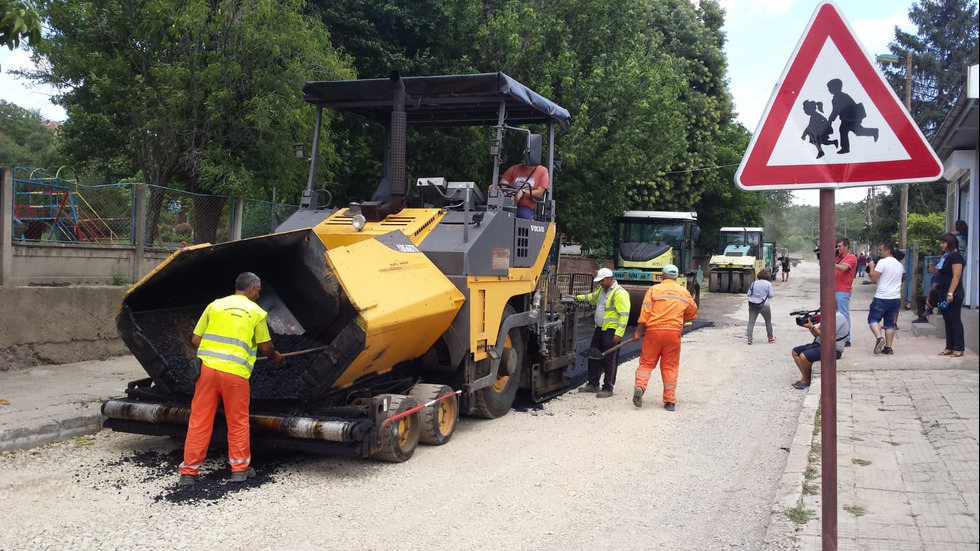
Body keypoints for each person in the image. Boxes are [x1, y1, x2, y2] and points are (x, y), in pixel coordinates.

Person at [178, 272, 284, 487]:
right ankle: (239, 470)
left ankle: (188, 472)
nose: (259, 294)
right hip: (235, 374)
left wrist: (214, 351)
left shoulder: (215, 306)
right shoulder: (256, 312)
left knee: (199, 420)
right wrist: (274, 357)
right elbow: (265, 347)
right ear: (252, 288)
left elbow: (196, 339)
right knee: (237, 421)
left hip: (206, 372)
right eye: (259, 290)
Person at [631, 264, 698, 411]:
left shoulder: (654, 290)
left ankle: (640, 387)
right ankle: (670, 401)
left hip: (654, 332)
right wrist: (681, 318)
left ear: (663, 276)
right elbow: (693, 311)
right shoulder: (684, 292)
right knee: (670, 366)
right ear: (676, 277)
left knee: (647, 363)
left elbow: (645, 313)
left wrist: (638, 332)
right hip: (673, 333)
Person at [574, 267, 631, 398]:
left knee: (610, 359)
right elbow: (592, 298)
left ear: (610, 279)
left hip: (611, 331)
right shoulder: (601, 290)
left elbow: (624, 315)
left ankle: (608, 387)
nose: (600, 283)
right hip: (600, 328)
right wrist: (577, 298)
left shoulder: (619, 293)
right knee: (594, 355)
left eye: (602, 281)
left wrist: (619, 333)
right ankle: (593, 384)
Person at [791, 310, 849, 389]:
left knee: (803, 356)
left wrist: (812, 327)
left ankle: (806, 380)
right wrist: (809, 326)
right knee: (795, 352)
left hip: (833, 349)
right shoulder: (828, 317)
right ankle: (806, 376)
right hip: (820, 345)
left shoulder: (838, 318)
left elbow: (827, 336)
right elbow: (816, 334)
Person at [867, 242, 906, 355]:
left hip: (882, 296)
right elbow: (903, 277)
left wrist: (871, 267)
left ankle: (879, 338)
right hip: (895, 297)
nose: (879, 252)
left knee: (873, 319)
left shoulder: (882, 262)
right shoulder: (899, 265)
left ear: (888, 251)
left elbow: (873, 277)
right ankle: (888, 347)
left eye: (880, 250)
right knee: (890, 323)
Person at [827, 78, 879, 154]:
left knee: (844, 130)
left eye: (830, 88)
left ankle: (845, 148)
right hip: (850, 118)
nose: (829, 90)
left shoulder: (839, 97)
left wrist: (830, 120)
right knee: (856, 131)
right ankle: (873, 131)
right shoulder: (839, 96)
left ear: (836, 87)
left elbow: (836, 110)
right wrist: (831, 120)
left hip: (851, 118)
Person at [935, 233, 965, 357]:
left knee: (954, 319)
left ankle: (959, 347)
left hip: (953, 293)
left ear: (950, 243)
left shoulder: (956, 256)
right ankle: (950, 346)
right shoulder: (945, 256)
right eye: (941, 242)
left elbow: (956, 275)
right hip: (943, 291)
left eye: (944, 243)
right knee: (947, 320)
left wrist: (950, 293)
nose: (941, 245)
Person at [498, 155, 549, 219]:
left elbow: (539, 193)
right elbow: (503, 185)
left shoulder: (543, 171)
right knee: (489, 207)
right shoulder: (514, 168)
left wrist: (523, 192)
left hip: (526, 208)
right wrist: (496, 188)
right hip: (507, 203)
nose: (525, 160)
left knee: (522, 215)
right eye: (524, 157)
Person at [834, 238, 857, 347]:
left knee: (844, 314)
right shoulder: (838, 258)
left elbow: (843, 268)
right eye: (837, 246)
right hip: (834, 289)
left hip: (843, 290)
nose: (838, 248)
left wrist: (829, 262)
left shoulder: (851, 257)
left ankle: (847, 338)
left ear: (847, 246)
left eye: (840, 246)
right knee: (833, 314)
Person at [746, 269, 775, 345]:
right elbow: (771, 295)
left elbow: (748, 294)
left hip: (753, 304)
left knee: (751, 322)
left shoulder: (754, 283)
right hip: (764, 305)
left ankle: (749, 339)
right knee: (768, 321)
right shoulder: (768, 284)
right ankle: (770, 337)